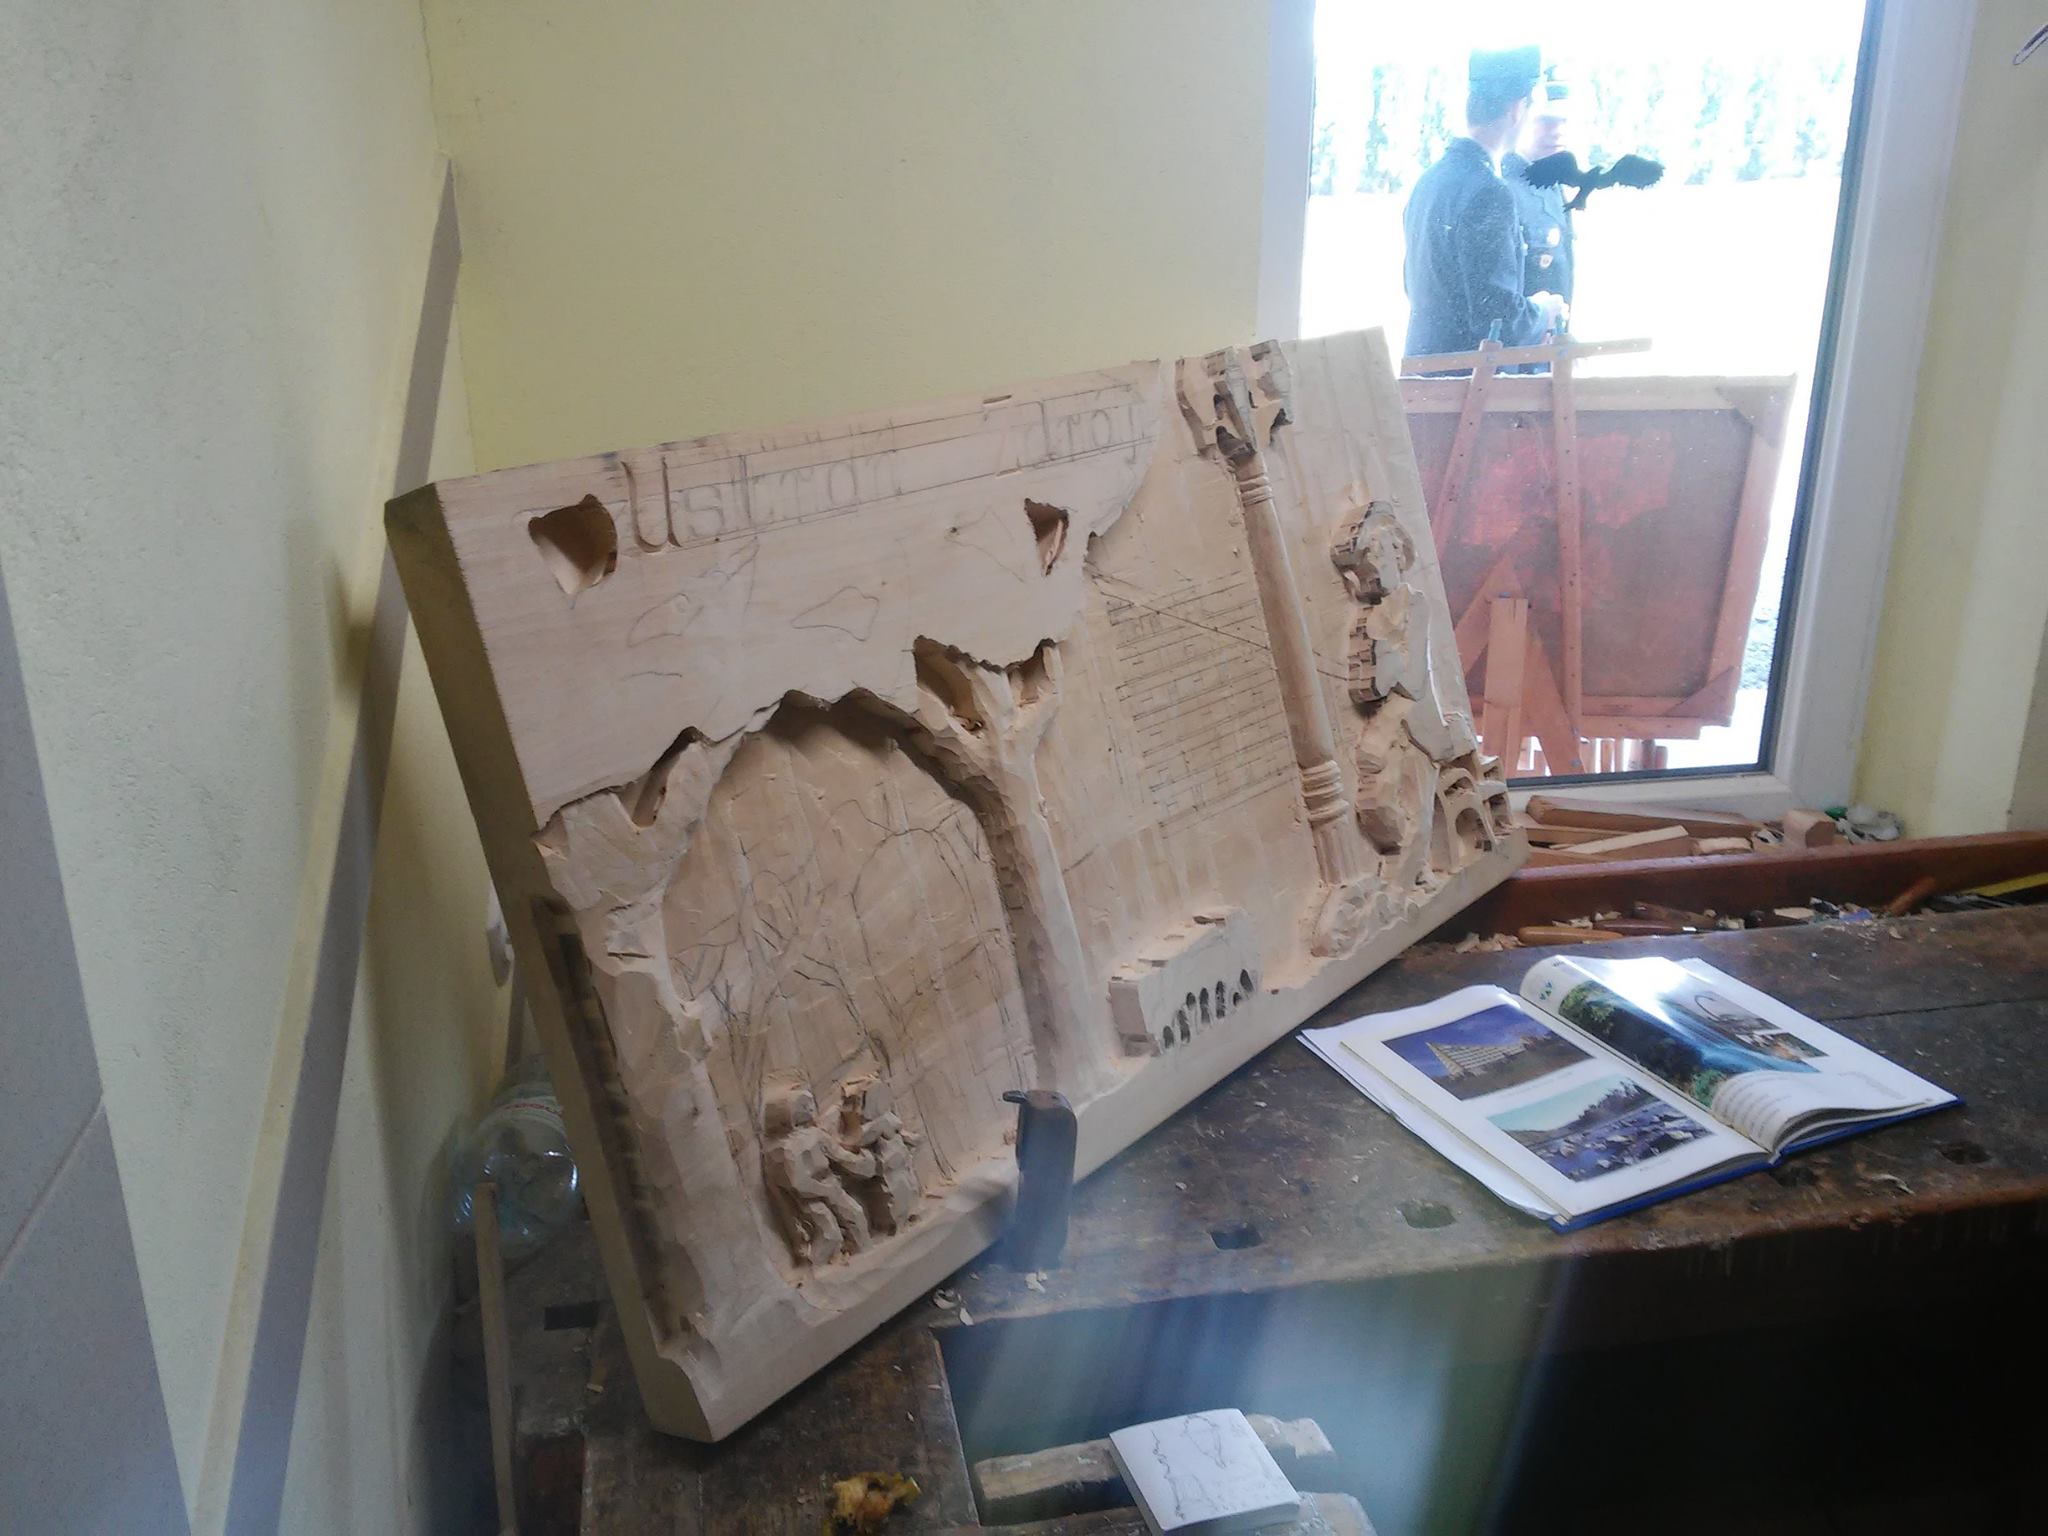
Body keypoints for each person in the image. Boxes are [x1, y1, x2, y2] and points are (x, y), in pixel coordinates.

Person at [1402, 45, 1567, 368]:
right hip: (1469, 389)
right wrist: (1544, 312)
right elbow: (1497, 318)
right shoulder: (1490, 191)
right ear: (1518, 108)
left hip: (1423, 378)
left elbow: (1415, 286)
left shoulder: (1429, 182)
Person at [1503, 72, 1575, 318]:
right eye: (1545, 122)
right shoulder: (1504, 190)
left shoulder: (1554, 187)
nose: (1557, 132)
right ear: (1520, 120)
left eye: (1563, 121)